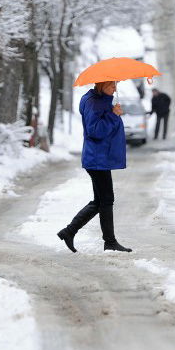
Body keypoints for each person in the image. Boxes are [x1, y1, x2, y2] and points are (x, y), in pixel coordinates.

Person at [56, 81, 133, 253]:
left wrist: (111, 111)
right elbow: (95, 131)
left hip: (99, 158)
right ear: (102, 85)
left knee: (101, 201)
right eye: (112, 85)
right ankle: (109, 242)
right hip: (97, 158)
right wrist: (113, 115)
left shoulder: (99, 100)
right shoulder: (94, 102)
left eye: (115, 85)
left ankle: (69, 232)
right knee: (106, 199)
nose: (114, 88)